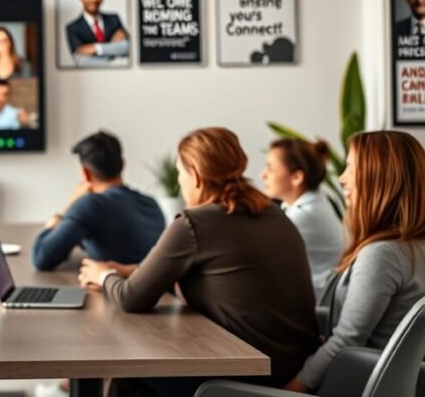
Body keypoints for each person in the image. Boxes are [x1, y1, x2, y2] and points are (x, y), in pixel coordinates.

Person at [79, 128, 318, 395]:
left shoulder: (195, 223)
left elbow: (131, 298)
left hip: (250, 377)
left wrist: (103, 274)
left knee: (130, 377)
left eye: (180, 173)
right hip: (294, 367)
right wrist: (133, 270)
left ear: (195, 175)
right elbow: (226, 274)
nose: (180, 182)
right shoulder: (272, 211)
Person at [284, 131, 425, 394]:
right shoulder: (413, 248)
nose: (341, 178)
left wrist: (294, 387)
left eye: (350, 167)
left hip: (355, 384)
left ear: (379, 178)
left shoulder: (383, 255)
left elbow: (347, 341)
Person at [32, 131, 164, 271]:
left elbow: (41, 258)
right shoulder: (151, 203)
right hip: (154, 288)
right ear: (123, 165)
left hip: (114, 289)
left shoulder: (90, 205)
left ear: (86, 173)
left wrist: (65, 210)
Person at [260, 138, 344, 300]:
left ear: (297, 177)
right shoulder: (312, 201)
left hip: (318, 306)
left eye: (270, 168)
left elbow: (260, 255)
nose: (263, 175)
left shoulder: (304, 215)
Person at [64, 0, 128, 62]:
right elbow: (82, 61)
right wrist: (114, 47)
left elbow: (128, 48)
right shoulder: (72, 28)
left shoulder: (114, 19)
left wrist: (95, 48)